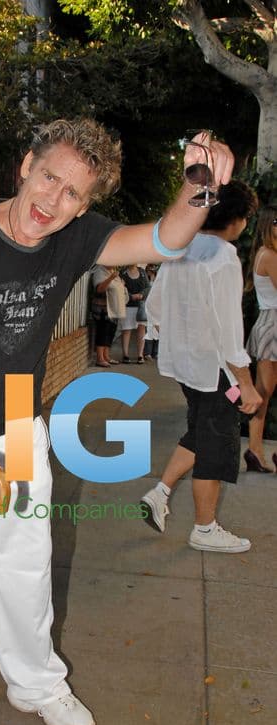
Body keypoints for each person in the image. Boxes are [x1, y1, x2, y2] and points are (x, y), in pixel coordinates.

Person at [0, 117, 234, 725]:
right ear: (25, 164)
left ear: (86, 203)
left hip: (15, 412)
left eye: (74, 193)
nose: (54, 201)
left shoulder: (76, 239)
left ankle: (35, 681)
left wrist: (200, 188)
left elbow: (163, 238)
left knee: (23, 558)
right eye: (49, 177)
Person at [140, 180, 261, 553]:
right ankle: (205, 528)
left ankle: (159, 493)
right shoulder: (223, 256)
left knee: (200, 434)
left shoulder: (183, 247)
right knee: (217, 446)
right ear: (238, 219)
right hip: (217, 373)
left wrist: (179, 339)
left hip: (188, 370)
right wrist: (247, 384)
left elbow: (154, 307)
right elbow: (228, 330)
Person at [244, 205, 277, 472]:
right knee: (263, 393)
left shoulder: (266, 253)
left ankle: (255, 450)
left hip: (269, 323)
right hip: (273, 324)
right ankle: (255, 449)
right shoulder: (270, 255)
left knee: (263, 393)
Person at [90, 264, 124, 365]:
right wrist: (111, 278)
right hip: (102, 309)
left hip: (113, 309)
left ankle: (106, 356)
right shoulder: (99, 271)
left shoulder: (113, 271)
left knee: (110, 333)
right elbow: (99, 289)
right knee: (103, 332)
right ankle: (100, 359)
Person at [120, 264, 150, 363]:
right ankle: (125, 355)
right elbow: (120, 288)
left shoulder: (142, 272)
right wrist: (130, 296)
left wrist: (141, 294)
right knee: (126, 330)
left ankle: (140, 355)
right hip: (127, 306)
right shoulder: (123, 273)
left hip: (140, 306)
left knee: (141, 329)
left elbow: (147, 287)